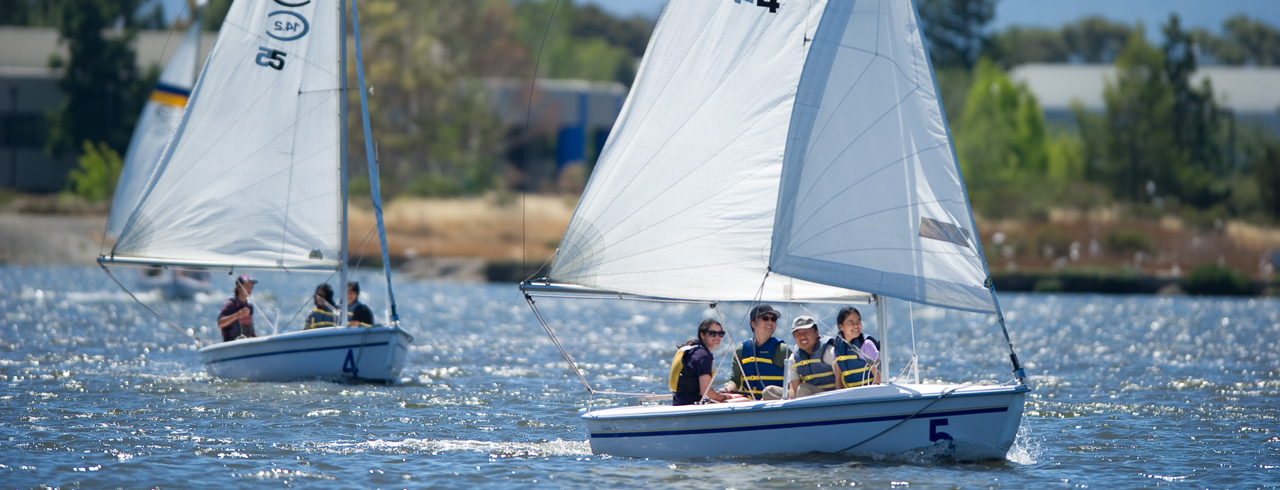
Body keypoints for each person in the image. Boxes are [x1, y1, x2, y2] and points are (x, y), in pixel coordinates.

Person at [671, 319, 746, 406]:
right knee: (743, 399)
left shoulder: (692, 350)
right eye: (713, 333)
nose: (717, 337)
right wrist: (724, 397)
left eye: (720, 334)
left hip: (679, 402)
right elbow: (707, 393)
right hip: (692, 405)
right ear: (702, 334)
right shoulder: (703, 356)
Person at [728, 304, 791, 400]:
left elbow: (794, 381)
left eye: (773, 319)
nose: (770, 322)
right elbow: (734, 380)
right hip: (748, 403)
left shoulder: (782, 350)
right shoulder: (741, 350)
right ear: (753, 324)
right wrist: (728, 390)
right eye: (765, 318)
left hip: (775, 403)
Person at [784, 315, 838, 398]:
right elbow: (793, 390)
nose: (802, 337)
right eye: (798, 334)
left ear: (816, 333)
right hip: (806, 398)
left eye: (806, 333)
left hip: (831, 398)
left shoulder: (829, 351)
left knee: (803, 389)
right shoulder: (793, 358)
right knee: (769, 391)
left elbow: (841, 379)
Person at [833, 307, 880, 388]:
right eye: (851, 322)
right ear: (841, 327)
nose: (856, 326)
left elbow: (878, 376)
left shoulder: (867, 345)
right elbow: (838, 378)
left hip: (870, 394)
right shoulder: (837, 349)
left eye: (858, 322)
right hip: (850, 395)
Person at [217, 274, 258, 341]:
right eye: (247, 286)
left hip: (246, 343)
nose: (250, 289)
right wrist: (237, 315)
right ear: (238, 287)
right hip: (231, 343)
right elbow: (220, 323)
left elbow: (251, 328)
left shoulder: (249, 306)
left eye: (251, 286)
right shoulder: (230, 304)